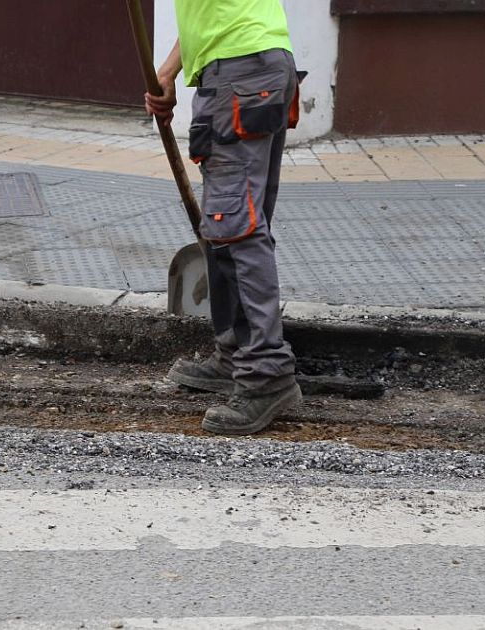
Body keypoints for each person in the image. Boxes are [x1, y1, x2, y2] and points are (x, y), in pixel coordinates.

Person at [145, 0, 301, 436]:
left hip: (240, 71)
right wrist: (170, 70)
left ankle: (265, 373)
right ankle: (238, 352)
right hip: (251, 65)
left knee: (238, 226)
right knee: (233, 225)